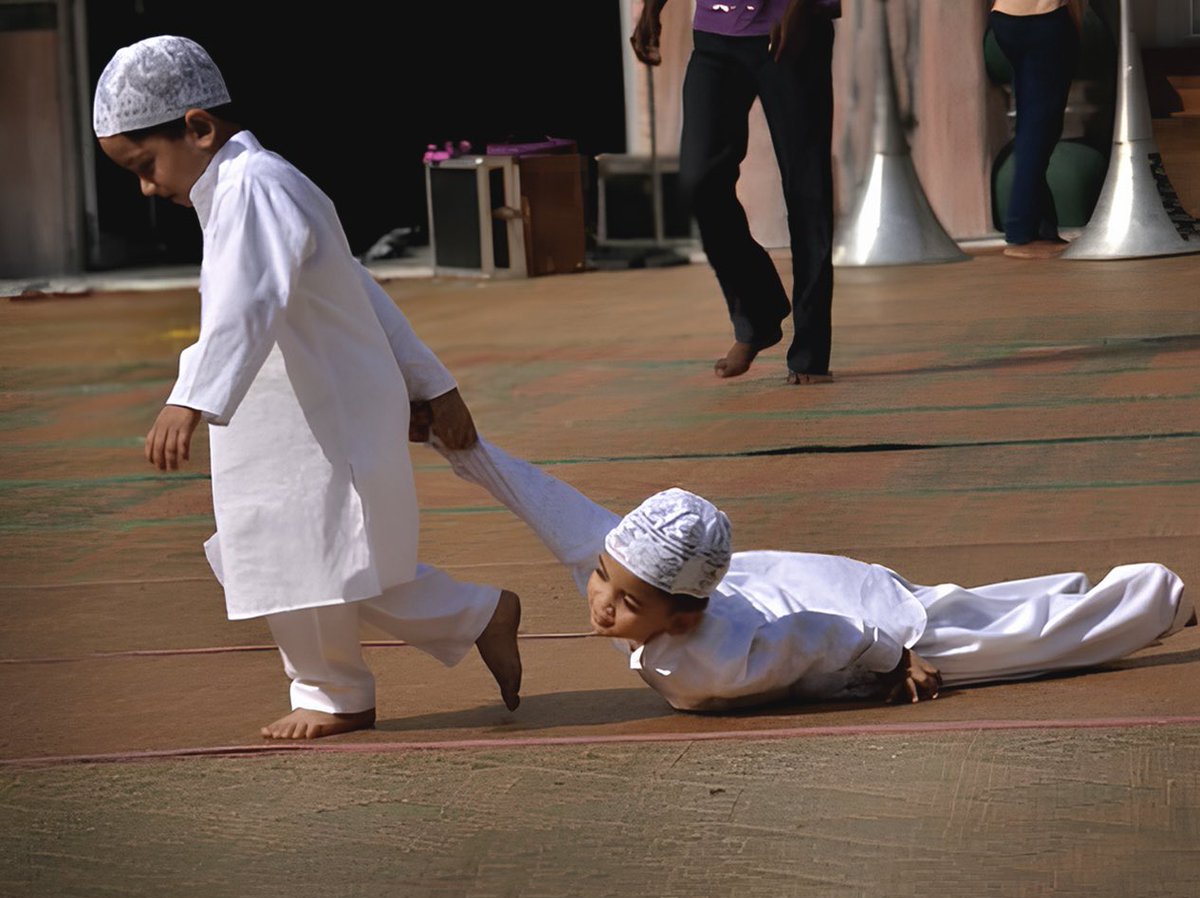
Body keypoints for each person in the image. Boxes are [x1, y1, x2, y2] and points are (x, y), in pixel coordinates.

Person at [92, 35, 522, 740]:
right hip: (292, 417)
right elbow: (357, 288)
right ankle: (472, 615)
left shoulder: (255, 185)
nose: (146, 186)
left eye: (146, 165)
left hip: (319, 416)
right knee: (303, 555)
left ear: (197, 128)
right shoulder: (244, 188)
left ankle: (335, 691)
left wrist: (190, 395)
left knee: (298, 553)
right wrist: (429, 382)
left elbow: (246, 300)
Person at [414, 426, 1191, 712]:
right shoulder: (620, 560)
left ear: (680, 618)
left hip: (866, 623)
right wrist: (458, 443)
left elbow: (822, 635)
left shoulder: (723, 658)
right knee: (979, 604)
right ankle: (1099, 588)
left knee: (1027, 641)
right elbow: (540, 498)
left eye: (625, 600)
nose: (603, 604)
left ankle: (1169, 599)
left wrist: (894, 660)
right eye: (602, 580)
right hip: (795, 584)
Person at [630, 0, 840, 384]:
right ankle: (758, 313)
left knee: (806, 189)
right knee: (699, 181)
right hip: (716, 36)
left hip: (793, 27)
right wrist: (651, 8)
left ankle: (810, 351)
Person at [989, 0, 1084, 259]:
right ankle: (1020, 232)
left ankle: (1042, 229)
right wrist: (1074, 28)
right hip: (1045, 18)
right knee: (1040, 128)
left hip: (1004, 18)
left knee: (1032, 122)